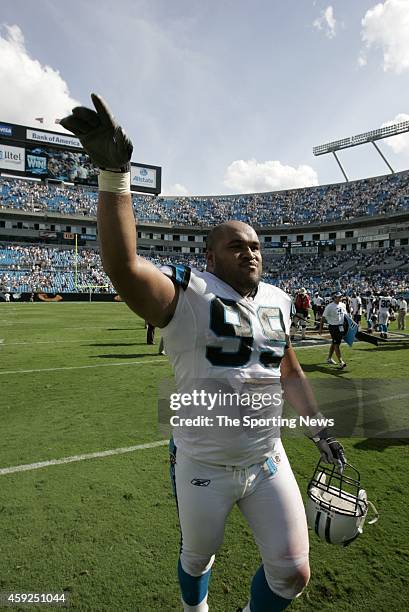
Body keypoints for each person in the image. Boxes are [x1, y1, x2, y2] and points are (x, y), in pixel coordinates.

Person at [60, 94, 346, 612]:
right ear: (210, 256)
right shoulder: (190, 294)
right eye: (237, 246)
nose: (251, 252)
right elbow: (124, 267)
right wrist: (114, 175)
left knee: (293, 573)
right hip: (203, 462)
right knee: (197, 559)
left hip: (267, 459)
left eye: (256, 246)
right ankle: (196, 608)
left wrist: (318, 426)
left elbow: (289, 368)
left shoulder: (279, 299)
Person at [319, 292, 347, 369]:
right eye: (338, 297)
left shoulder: (343, 305)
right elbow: (323, 318)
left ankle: (329, 358)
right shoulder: (329, 307)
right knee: (336, 344)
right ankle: (341, 362)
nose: (340, 298)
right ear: (334, 297)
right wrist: (320, 328)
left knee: (335, 343)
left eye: (341, 296)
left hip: (341, 327)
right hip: (333, 327)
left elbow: (345, 316)